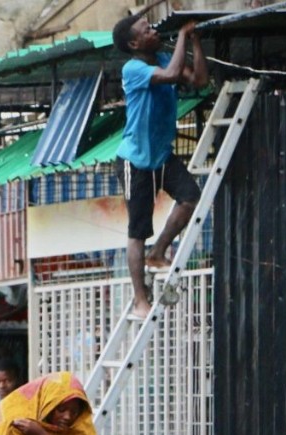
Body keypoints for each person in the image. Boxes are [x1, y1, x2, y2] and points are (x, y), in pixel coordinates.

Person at [113, 14, 209, 319]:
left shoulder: (167, 58)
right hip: (136, 160)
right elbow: (169, 75)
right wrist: (182, 34)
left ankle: (159, 252)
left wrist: (195, 40)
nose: (154, 31)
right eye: (147, 29)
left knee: (191, 198)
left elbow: (199, 81)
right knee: (138, 230)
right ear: (134, 43)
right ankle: (141, 298)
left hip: (162, 155)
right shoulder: (134, 69)